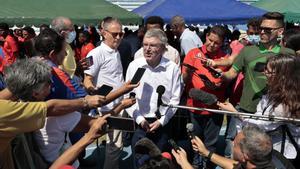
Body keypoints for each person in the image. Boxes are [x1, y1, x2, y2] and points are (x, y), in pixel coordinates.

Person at [0, 59, 109, 169]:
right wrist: (86, 102)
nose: (52, 85)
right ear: (35, 93)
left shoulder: (14, 106)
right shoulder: (58, 116)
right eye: (48, 83)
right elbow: (51, 107)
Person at [218, 54, 300, 166]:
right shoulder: (273, 93)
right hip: (269, 151)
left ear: (283, 76)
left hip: (283, 155)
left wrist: (235, 113)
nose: (264, 73)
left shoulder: (285, 104)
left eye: (269, 72)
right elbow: (259, 115)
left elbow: (260, 125)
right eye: (265, 69)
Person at [125, 28, 182, 167]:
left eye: (153, 45)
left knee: (161, 165)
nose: (147, 49)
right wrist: (139, 119)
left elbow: (175, 100)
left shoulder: (172, 69)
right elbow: (128, 97)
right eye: (145, 45)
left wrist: (162, 121)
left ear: (163, 48)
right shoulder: (134, 66)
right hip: (140, 125)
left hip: (162, 126)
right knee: (139, 164)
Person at [182, 25, 229, 169]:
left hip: (214, 109)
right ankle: (196, 165)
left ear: (222, 43)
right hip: (194, 106)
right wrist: (188, 73)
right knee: (195, 141)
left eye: (217, 43)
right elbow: (184, 80)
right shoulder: (193, 53)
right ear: (206, 36)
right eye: (210, 40)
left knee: (211, 143)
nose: (212, 45)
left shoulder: (224, 59)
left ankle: (209, 165)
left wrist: (216, 85)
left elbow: (225, 82)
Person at [83, 17, 125, 169]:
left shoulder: (116, 51)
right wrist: (92, 91)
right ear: (103, 33)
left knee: (116, 145)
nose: (119, 37)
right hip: (107, 108)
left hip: (119, 104)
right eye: (115, 34)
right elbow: (87, 79)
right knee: (115, 146)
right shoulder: (94, 53)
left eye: (121, 34)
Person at [172, 125, 294, 169]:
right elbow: (235, 165)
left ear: (244, 155)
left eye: (234, 144)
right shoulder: (272, 156)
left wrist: (184, 163)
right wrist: (206, 152)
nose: (232, 145)